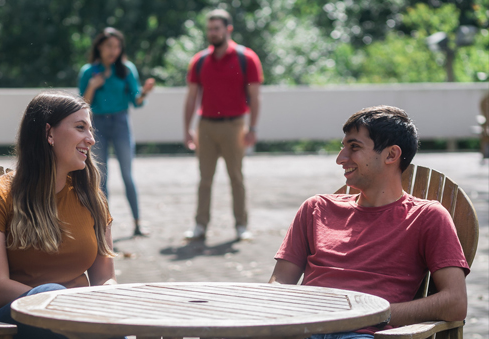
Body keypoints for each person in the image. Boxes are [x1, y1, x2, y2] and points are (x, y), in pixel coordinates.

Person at [269, 106, 469, 338]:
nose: (340, 158)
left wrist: (370, 313)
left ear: (391, 155)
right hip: (301, 328)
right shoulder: (316, 208)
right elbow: (280, 281)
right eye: (343, 146)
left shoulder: (426, 217)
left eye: (354, 147)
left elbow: (455, 302)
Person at [0, 91, 117, 339]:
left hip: (78, 320)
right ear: (49, 133)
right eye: (80, 128)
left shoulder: (91, 200)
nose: (91, 139)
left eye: (90, 130)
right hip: (7, 326)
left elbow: (104, 278)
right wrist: (59, 301)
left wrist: (108, 300)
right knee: (47, 294)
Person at [183, 9, 263, 241]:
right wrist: (187, 129)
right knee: (204, 179)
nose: (212, 33)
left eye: (217, 28)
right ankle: (200, 225)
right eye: (209, 29)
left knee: (236, 178)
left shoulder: (246, 58)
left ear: (228, 29)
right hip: (206, 125)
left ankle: (241, 225)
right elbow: (191, 98)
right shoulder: (199, 61)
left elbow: (255, 96)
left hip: (235, 125)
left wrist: (253, 128)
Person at [78, 27, 154, 237]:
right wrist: (92, 86)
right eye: (109, 46)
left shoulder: (126, 69)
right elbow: (82, 105)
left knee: (128, 176)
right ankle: (103, 225)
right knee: (101, 178)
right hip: (97, 125)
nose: (114, 50)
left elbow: (136, 101)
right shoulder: (88, 71)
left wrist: (144, 92)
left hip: (121, 123)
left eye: (117, 46)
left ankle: (137, 224)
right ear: (100, 47)